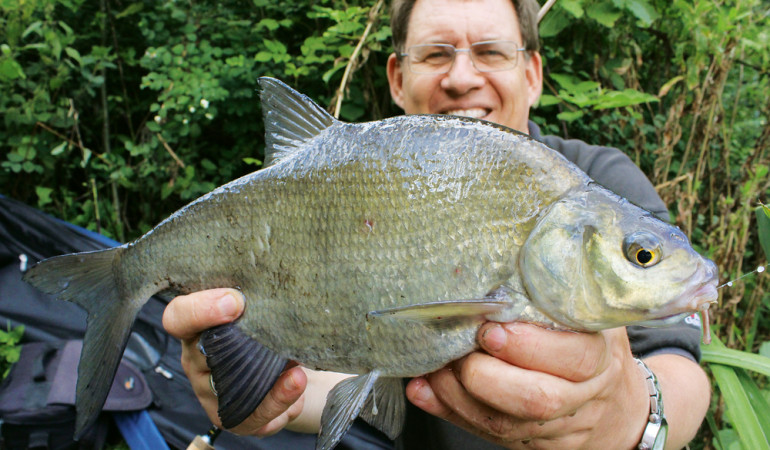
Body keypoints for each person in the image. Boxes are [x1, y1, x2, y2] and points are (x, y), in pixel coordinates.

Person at [162, 0, 711, 448]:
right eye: (436, 53)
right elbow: (331, 384)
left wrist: (633, 412)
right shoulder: (345, 187)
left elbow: (682, 369)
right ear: (398, 78)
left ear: (533, 72)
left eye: (490, 51)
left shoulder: (598, 183)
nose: (462, 76)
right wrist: (255, 391)